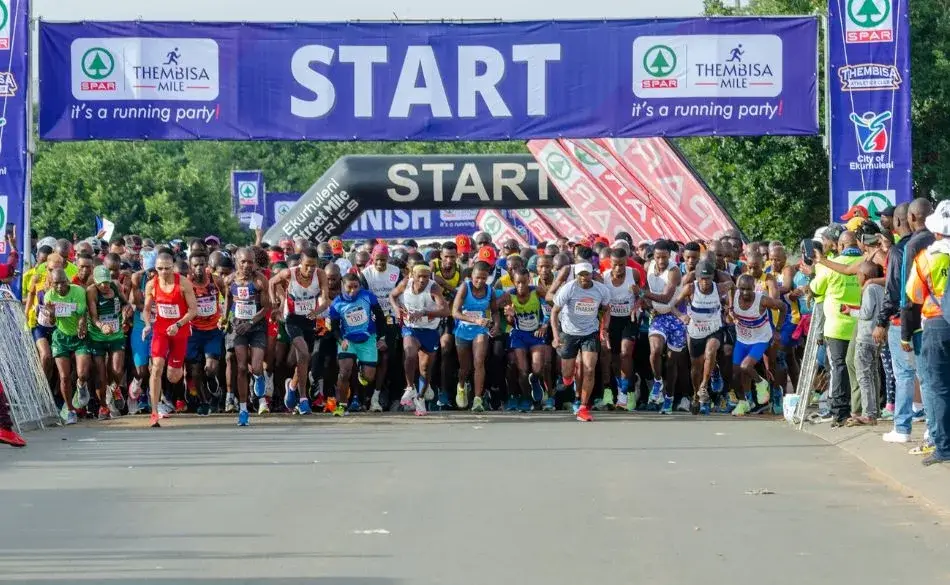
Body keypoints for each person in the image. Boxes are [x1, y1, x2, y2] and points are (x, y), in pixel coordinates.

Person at [904, 200, 950, 466]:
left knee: (938, 386)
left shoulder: (927, 257)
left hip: (936, 324)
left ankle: (944, 447)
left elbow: (914, 295)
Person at [875, 203, 919, 442]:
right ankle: (934, 432)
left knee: (903, 374)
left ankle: (902, 427)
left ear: (899, 221)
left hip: (901, 319)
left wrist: (881, 321)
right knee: (927, 376)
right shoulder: (928, 245)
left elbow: (892, 291)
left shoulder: (898, 250)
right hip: (927, 317)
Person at [810, 232, 863, 427]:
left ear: (840, 246)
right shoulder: (865, 262)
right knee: (863, 367)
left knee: (839, 366)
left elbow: (815, 289)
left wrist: (816, 268)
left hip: (837, 327)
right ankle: (863, 409)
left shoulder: (829, 265)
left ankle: (840, 412)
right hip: (861, 325)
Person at [269, 247, 330, 415]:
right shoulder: (290, 273)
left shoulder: (320, 275)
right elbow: (272, 282)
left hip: (309, 319)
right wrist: (275, 302)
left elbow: (325, 301)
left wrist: (317, 312)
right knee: (303, 354)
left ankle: (292, 385)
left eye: (313, 265)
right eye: (307, 265)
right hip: (292, 319)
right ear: (301, 263)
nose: (310, 269)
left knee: (304, 359)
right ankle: (303, 400)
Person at [550, 262, 612, 422]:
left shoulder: (601, 290)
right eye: (580, 274)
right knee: (567, 374)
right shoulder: (568, 288)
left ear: (592, 274)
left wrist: (604, 329)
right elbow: (554, 312)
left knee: (590, 369)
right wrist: (556, 336)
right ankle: (567, 379)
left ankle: (583, 407)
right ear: (576, 275)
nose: (584, 277)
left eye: (587, 274)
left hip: (590, 333)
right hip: (569, 333)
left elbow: (607, 309)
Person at [143, 251, 198, 428]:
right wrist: (147, 324)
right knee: (156, 367)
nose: (164, 272)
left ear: (173, 267)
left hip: (179, 331)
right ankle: (153, 412)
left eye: (167, 268)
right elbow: (146, 308)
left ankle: (175, 381)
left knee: (173, 376)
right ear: (155, 268)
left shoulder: (183, 283)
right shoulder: (152, 285)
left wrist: (178, 324)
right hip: (160, 330)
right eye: (160, 268)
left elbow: (193, 310)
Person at [390, 264, 450, 416]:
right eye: (419, 276)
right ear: (412, 275)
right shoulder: (405, 283)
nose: (423, 279)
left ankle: (421, 398)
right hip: (411, 328)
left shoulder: (434, 288)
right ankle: (410, 387)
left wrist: (424, 312)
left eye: (426, 276)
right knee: (409, 354)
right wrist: (397, 309)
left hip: (429, 330)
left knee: (425, 368)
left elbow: (446, 311)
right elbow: (392, 296)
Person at [672, 261, 730, 414]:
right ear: (697, 277)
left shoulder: (719, 288)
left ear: (713, 277)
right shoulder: (690, 288)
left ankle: (704, 385)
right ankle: (696, 396)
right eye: (702, 278)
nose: (705, 282)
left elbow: (733, 285)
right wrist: (681, 315)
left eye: (708, 278)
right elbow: (672, 306)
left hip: (714, 329)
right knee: (696, 368)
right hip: (695, 331)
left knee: (711, 352)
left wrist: (730, 307)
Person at [220, 248, 270, 426]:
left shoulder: (259, 280)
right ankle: (243, 410)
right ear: (236, 262)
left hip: (256, 327)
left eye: (250, 262)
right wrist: (225, 319)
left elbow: (267, 307)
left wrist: (250, 322)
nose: (247, 265)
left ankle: (258, 377)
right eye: (243, 262)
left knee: (256, 366)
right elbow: (228, 300)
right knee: (241, 367)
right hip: (237, 327)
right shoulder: (229, 280)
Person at [329, 274, 388, 417]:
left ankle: (362, 370)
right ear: (343, 285)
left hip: (367, 339)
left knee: (369, 378)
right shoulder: (336, 304)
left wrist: (382, 337)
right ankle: (342, 405)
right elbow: (335, 327)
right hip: (348, 340)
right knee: (344, 372)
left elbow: (380, 317)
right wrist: (340, 339)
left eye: (356, 287)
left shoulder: (368, 297)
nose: (353, 291)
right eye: (349, 287)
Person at [731, 274, 787, 416]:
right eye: (742, 289)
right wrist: (730, 313)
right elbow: (727, 299)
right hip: (742, 339)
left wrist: (778, 329)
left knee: (746, 366)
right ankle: (744, 403)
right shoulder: (733, 295)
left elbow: (783, 307)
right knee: (736, 372)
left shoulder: (762, 300)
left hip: (761, 339)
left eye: (748, 289)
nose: (745, 293)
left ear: (753, 288)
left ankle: (762, 384)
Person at [642, 240, 685, 414]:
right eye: (658, 257)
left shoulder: (673, 271)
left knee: (671, 363)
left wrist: (642, 293)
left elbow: (667, 298)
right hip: (658, 316)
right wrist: (643, 303)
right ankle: (658, 381)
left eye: (664, 257)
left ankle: (669, 398)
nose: (661, 261)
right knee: (655, 350)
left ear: (670, 256)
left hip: (675, 317)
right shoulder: (649, 267)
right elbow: (646, 289)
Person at [44, 268, 91, 426]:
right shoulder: (49, 296)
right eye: (55, 284)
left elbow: (82, 313)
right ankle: (71, 410)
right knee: (64, 376)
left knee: (82, 373)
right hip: (61, 337)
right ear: (51, 284)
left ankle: (81, 385)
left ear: (68, 281)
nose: (59, 286)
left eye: (62, 282)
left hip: (79, 336)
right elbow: (51, 323)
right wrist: (51, 314)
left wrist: (81, 325)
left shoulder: (77, 291)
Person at [452, 261, 501, 412]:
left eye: (484, 278)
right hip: (463, 330)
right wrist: (474, 319)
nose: (480, 281)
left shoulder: (490, 291)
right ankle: (461, 385)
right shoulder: (464, 288)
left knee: (479, 362)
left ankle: (477, 399)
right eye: (477, 278)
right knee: (465, 368)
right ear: (471, 275)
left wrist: (496, 325)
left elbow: (495, 312)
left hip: (480, 329)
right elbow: (455, 312)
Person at [502, 268, 552, 412]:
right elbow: (510, 322)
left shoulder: (537, 291)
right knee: (522, 370)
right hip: (519, 335)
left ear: (529, 280)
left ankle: (535, 380)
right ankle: (526, 398)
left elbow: (551, 309)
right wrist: (511, 315)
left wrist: (544, 325)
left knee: (537, 368)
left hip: (536, 334)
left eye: (524, 282)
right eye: (518, 283)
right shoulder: (509, 296)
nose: (521, 286)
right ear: (513, 282)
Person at [185, 252, 227, 416]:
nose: (199, 268)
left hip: (212, 330)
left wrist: (224, 316)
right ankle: (204, 401)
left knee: (210, 368)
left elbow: (228, 295)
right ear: (190, 267)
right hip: (193, 331)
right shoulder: (187, 284)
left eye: (202, 264)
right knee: (195, 370)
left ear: (207, 265)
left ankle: (212, 382)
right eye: (195, 265)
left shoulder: (215, 280)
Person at [361, 245, 402, 411]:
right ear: (373, 258)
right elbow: (363, 298)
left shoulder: (396, 272)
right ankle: (367, 396)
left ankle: (380, 396)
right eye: (377, 260)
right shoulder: (366, 273)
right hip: (372, 318)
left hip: (391, 317)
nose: (380, 263)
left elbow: (400, 294)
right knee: (372, 359)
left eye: (383, 260)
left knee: (388, 358)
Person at [86, 265, 130, 420]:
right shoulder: (91, 291)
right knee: (101, 374)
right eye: (101, 283)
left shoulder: (116, 286)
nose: (104, 286)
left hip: (116, 334)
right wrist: (102, 326)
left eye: (106, 282)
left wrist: (126, 311)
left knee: (117, 370)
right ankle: (103, 407)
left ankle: (115, 388)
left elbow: (126, 303)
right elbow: (93, 316)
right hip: (98, 336)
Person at [600, 247, 640, 410]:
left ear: (627, 262)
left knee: (625, 353)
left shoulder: (634, 274)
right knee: (614, 358)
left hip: (629, 320)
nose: (619, 269)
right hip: (611, 321)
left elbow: (643, 297)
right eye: (615, 265)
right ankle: (618, 390)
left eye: (622, 265)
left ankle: (626, 393)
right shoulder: (604, 278)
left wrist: (639, 299)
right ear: (610, 263)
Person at [850, 262, 885, 426]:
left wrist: (850, 311)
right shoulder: (880, 289)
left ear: (864, 276)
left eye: (858, 274)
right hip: (876, 340)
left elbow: (866, 313)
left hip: (865, 338)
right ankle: (873, 411)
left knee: (864, 376)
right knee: (872, 375)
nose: (857, 277)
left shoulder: (870, 289)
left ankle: (868, 414)